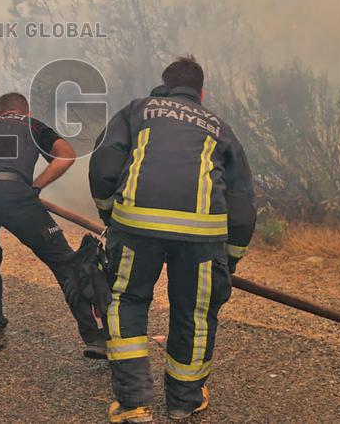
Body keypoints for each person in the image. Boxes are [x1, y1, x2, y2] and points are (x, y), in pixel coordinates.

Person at [88, 56, 256, 423]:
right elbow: (242, 202)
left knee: (127, 302)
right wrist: (230, 259)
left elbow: (103, 164)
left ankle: (134, 404)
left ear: (164, 86)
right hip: (202, 237)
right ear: (201, 92)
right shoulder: (219, 127)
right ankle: (184, 401)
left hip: (136, 226)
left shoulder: (137, 111)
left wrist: (109, 215)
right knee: (195, 313)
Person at [0, 92, 106, 357]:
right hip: (13, 193)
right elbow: (66, 155)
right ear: (26, 112)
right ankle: (95, 337)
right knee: (63, 261)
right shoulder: (32, 125)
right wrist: (35, 186)